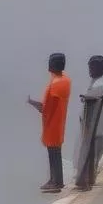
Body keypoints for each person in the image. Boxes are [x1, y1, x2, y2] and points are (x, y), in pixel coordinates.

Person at [28, 52, 72, 193]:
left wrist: (32, 103)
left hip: (52, 123)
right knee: (55, 152)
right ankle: (54, 179)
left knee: (53, 153)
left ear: (50, 66)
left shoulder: (54, 86)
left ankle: (56, 181)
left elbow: (45, 108)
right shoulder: (66, 80)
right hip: (60, 121)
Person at [74, 55, 103, 191]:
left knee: (89, 156)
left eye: (92, 67)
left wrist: (86, 98)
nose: (89, 70)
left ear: (99, 68)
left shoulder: (101, 84)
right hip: (95, 129)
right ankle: (88, 180)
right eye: (89, 67)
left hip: (96, 130)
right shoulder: (100, 81)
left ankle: (84, 182)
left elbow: (95, 97)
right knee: (91, 158)